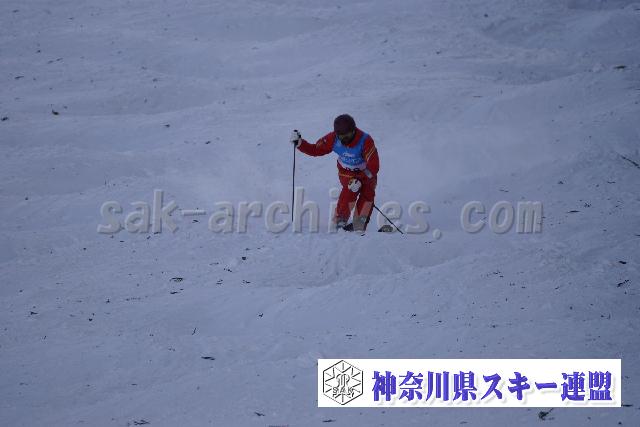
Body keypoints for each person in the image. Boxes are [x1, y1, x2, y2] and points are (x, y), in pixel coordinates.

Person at [290, 114, 379, 232]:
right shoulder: (333, 139)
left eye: (348, 135)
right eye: (342, 136)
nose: (345, 140)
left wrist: (361, 177)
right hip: (346, 172)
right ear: (337, 134)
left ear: (354, 130)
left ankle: (359, 223)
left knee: (367, 193)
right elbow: (315, 149)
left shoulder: (365, 140)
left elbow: (373, 165)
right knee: (350, 189)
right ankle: (340, 221)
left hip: (366, 172)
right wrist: (300, 143)